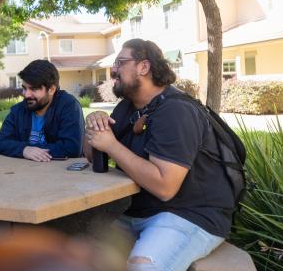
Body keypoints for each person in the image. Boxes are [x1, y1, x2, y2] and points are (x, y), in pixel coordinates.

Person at [84, 39, 234, 271]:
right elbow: (93, 156)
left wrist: (111, 145)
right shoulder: (127, 107)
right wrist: (93, 130)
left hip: (189, 215)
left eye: (121, 62)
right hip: (137, 211)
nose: (114, 70)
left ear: (144, 67)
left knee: (144, 267)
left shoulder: (176, 111)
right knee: (76, 250)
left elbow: (165, 187)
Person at [0, 59, 84, 161]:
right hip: (24, 172)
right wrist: (24, 150)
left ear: (51, 90)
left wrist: (33, 150)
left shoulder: (69, 106)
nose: (26, 94)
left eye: (33, 89)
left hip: (61, 173)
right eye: (24, 88)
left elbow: (72, 148)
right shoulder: (18, 110)